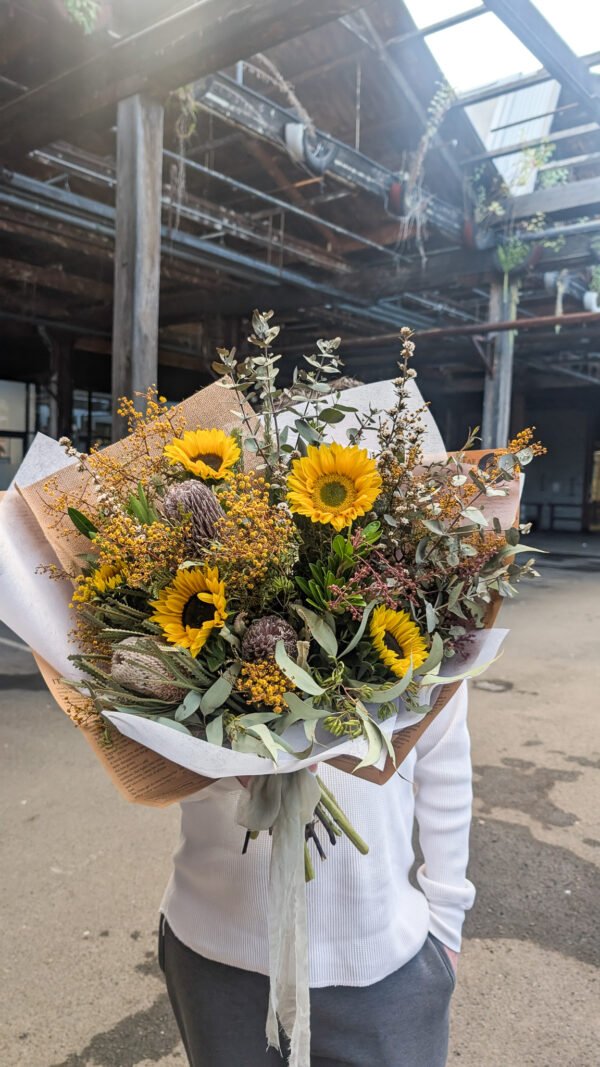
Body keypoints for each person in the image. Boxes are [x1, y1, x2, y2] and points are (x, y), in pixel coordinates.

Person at [158, 681, 474, 1067]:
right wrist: (231, 765)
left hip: (385, 958)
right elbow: (152, 758)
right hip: (217, 953)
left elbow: (444, 758)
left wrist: (447, 922)